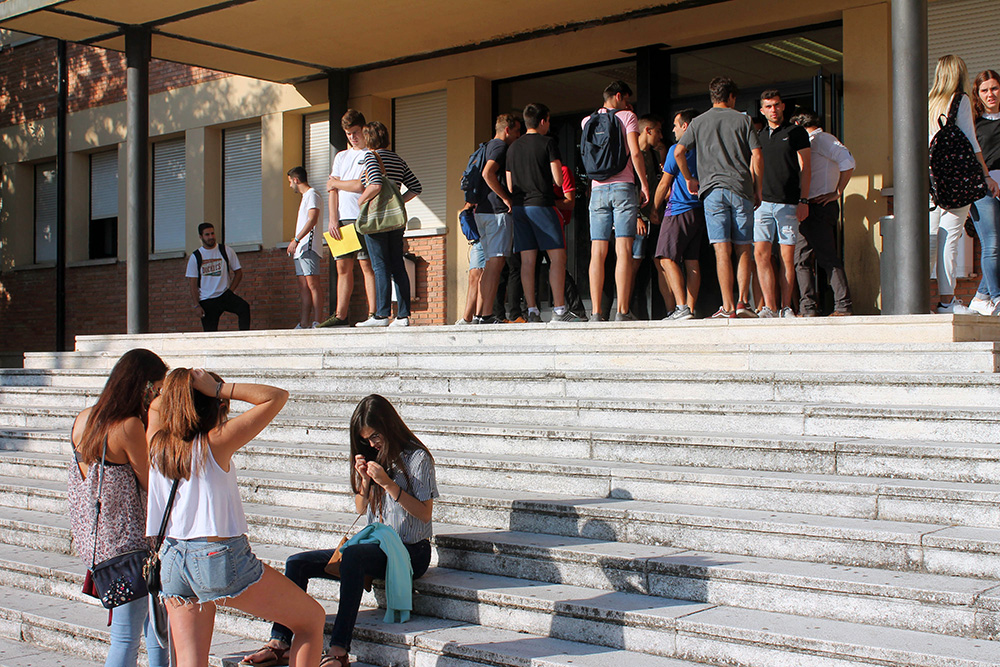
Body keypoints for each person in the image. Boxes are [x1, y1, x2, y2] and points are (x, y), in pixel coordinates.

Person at [240, 394, 437, 667]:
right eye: (366, 439)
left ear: (390, 426)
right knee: (296, 563)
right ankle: (280, 642)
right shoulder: (373, 455)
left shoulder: (417, 458)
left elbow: (425, 514)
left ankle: (339, 650)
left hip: (410, 551)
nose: (372, 443)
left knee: (354, 556)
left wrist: (389, 484)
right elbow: (360, 508)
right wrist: (366, 482)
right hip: (375, 545)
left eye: (375, 436)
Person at [147, 368, 325, 667]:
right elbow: (275, 397)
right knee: (310, 620)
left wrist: (179, 386)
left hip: (173, 557)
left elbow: (155, 408)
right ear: (215, 406)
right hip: (216, 555)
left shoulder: (157, 443)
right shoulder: (215, 442)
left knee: (190, 662)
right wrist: (219, 388)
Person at [68, 349, 169, 667]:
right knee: (127, 638)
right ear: (145, 387)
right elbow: (151, 484)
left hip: (101, 545)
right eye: (158, 388)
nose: (160, 395)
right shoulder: (127, 426)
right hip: (130, 549)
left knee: (156, 628)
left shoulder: (84, 418)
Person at [676, 76, 762, 319]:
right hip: (741, 189)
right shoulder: (744, 120)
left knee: (721, 249)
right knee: (743, 247)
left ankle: (727, 306)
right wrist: (758, 188)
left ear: (712, 97)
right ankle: (743, 301)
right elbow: (757, 156)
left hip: (713, 191)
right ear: (732, 97)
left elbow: (680, 151)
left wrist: (689, 179)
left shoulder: (699, 122)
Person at [928, 55, 1000, 314]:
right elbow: (972, 142)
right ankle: (948, 301)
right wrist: (986, 176)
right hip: (956, 182)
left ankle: (917, 297)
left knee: (932, 239)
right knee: (950, 238)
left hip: (931, 182)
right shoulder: (960, 100)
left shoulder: (928, 102)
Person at [582, 81, 650, 321]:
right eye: (626, 99)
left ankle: (596, 312)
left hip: (597, 190)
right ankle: (622, 311)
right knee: (624, 250)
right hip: (623, 188)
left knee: (597, 252)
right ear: (619, 96)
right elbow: (635, 151)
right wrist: (643, 184)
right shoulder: (627, 117)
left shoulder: (586, 121)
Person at [506, 102, 579, 323]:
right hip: (542, 206)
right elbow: (558, 178)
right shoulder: (548, 143)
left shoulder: (512, 148)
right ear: (544, 120)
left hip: (519, 208)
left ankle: (532, 310)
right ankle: (559, 310)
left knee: (528, 260)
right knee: (557, 257)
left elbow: (509, 186)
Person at [355, 121, 422, 328]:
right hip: (395, 221)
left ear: (369, 138)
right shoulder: (397, 159)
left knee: (379, 265)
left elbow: (375, 183)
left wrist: (361, 201)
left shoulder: (370, 156)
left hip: (376, 220)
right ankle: (402, 316)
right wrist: (398, 201)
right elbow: (416, 187)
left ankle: (381, 315)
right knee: (397, 265)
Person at [790, 110, 856, 316]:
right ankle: (808, 307)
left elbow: (848, 162)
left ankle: (843, 305)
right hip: (806, 205)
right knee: (801, 258)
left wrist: (837, 192)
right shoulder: (812, 141)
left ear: (799, 123)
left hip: (819, 206)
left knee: (826, 257)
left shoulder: (822, 139)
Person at [754, 90, 811, 318]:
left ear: (783, 106)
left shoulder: (796, 132)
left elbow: (806, 168)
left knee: (787, 257)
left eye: (777, 105)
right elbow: (753, 168)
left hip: (788, 203)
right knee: (761, 254)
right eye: (768, 106)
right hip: (762, 204)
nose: (773, 110)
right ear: (762, 110)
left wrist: (803, 200)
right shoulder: (758, 136)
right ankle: (770, 306)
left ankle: (786, 306)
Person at [321, 109, 378, 327]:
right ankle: (340, 315)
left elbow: (360, 185)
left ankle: (374, 313)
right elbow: (331, 189)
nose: (352, 137)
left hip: (362, 218)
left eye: (355, 132)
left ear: (364, 129)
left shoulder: (370, 154)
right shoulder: (341, 156)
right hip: (342, 220)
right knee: (342, 268)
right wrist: (332, 219)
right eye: (348, 134)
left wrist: (336, 182)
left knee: (366, 266)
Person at [655, 109, 704, 321]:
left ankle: (681, 307)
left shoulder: (677, 150)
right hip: (699, 211)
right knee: (691, 261)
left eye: (676, 125)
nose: (673, 130)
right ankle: (690, 310)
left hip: (678, 209)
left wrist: (652, 209)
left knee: (665, 258)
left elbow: (664, 182)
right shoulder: (705, 150)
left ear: (686, 126)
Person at [473, 114, 522, 324]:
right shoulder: (500, 148)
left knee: (489, 264)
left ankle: (479, 314)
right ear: (508, 130)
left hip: (482, 212)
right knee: (496, 263)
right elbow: (487, 173)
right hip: (496, 212)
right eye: (517, 131)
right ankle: (485, 315)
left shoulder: (485, 146)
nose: (519, 136)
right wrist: (505, 198)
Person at [631, 114, 672, 320]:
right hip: (638, 220)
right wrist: (636, 215)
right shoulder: (632, 154)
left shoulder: (654, 155)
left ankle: (670, 309)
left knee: (659, 261)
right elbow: (629, 187)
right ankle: (627, 309)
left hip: (655, 218)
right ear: (648, 130)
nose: (661, 136)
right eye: (658, 131)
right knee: (633, 265)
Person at [969, 70, 1000, 316]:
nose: (990, 94)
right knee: (991, 244)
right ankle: (998, 298)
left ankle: (981, 297)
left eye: (994, 88)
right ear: (978, 95)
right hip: (983, 188)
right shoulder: (973, 123)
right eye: (985, 90)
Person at [186, 222, 250, 332]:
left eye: (212, 233)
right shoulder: (196, 256)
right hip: (207, 299)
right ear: (201, 237)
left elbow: (238, 272)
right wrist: (197, 305)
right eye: (207, 235)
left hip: (224, 295)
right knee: (210, 333)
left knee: (244, 308)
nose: (211, 237)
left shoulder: (226, 250)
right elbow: (193, 284)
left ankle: (244, 338)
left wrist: (230, 290)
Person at [286, 166, 324, 328]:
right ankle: (303, 323)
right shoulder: (304, 197)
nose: (290, 186)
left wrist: (296, 239)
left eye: (290, 182)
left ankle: (317, 321)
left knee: (313, 284)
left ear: (296, 180)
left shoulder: (312, 194)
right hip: (299, 250)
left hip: (308, 247)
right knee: (303, 287)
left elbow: (312, 219)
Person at [457, 205, 486, 325]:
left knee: (476, 280)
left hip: (481, 242)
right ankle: (476, 315)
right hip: (479, 242)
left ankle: (469, 316)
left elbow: (467, 207)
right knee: (480, 280)